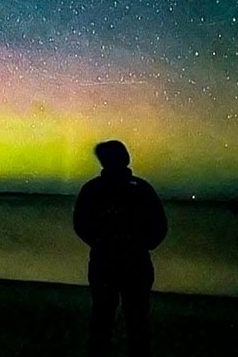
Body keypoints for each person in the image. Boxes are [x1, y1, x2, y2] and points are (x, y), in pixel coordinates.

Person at [73, 140, 168, 357]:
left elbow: (80, 224)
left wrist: (101, 242)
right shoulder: (139, 188)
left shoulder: (96, 189)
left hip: (117, 263)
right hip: (125, 263)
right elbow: (160, 225)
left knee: (107, 320)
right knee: (131, 322)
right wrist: (142, 244)